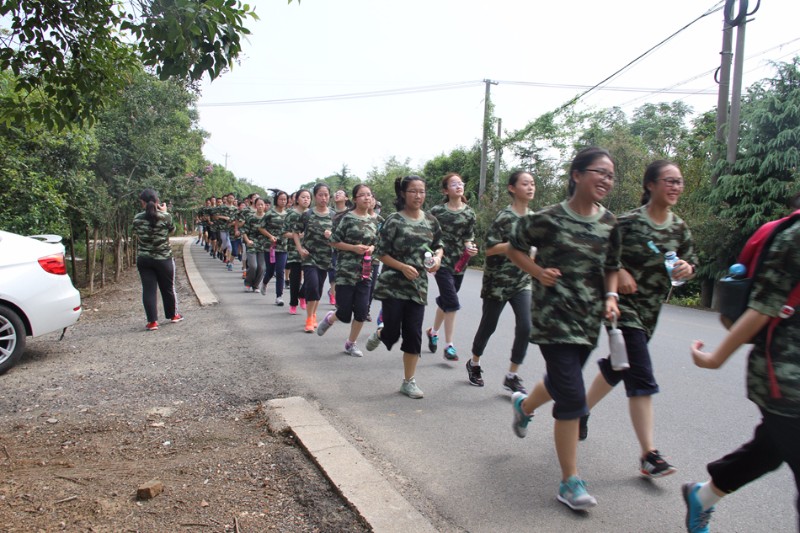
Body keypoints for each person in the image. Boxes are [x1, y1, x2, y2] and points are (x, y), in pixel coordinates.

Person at [505, 147, 621, 511]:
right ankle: (570, 481)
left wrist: (612, 294)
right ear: (576, 175)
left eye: (610, 175)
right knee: (572, 397)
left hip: (589, 321)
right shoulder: (548, 218)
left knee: (561, 382)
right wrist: (538, 272)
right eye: (598, 172)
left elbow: (612, 266)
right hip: (553, 319)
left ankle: (524, 405)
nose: (605, 180)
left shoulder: (609, 222)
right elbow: (514, 248)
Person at [580, 160, 697, 479]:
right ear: (650, 185)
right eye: (668, 180)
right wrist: (619, 270)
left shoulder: (679, 228)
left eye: (679, 182)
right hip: (620, 308)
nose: (675, 187)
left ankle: (581, 410)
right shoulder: (628, 223)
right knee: (641, 374)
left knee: (619, 366)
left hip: (650, 312)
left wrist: (687, 269)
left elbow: (690, 261)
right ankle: (649, 455)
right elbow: (599, 256)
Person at [684, 213, 799, 533]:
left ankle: (702, 497)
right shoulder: (796, 236)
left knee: (770, 449)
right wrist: (715, 358)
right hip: (786, 378)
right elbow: (763, 306)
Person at [366, 175, 443, 399]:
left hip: (417, 287)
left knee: (413, 335)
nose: (418, 195)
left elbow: (439, 245)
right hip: (393, 285)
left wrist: (437, 259)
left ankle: (408, 382)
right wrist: (402, 267)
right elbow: (381, 252)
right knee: (391, 334)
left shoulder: (431, 221)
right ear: (403, 194)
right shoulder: (394, 221)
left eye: (422, 191)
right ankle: (382, 332)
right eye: (413, 191)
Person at [466, 170, 536, 393]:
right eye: (525, 183)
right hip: (497, 281)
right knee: (489, 325)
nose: (530, 187)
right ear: (512, 188)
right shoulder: (504, 217)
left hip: (521, 281)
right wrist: (512, 245)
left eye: (532, 183)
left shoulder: (534, 218)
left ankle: (512, 375)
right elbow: (489, 250)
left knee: (526, 326)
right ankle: (474, 362)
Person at [316, 184, 379, 357]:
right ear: (355, 199)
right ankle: (331, 318)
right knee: (344, 312)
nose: (367, 198)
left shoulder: (375, 220)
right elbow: (333, 242)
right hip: (346, 271)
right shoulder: (347, 218)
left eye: (369, 194)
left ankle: (351, 344)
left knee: (361, 311)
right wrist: (353, 248)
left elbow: (378, 242)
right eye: (362, 195)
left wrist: (372, 248)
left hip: (366, 271)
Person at [425, 172, 477, 361]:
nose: (458, 186)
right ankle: (449, 346)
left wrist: (470, 248)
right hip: (442, 262)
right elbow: (427, 232)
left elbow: (468, 237)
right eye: (453, 184)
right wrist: (430, 255)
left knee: (447, 301)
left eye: (460, 183)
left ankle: (433, 331)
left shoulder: (469, 213)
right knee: (452, 302)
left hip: (460, 263)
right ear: (445, 190)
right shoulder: (437, 211)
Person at [132, 188, 183, 331]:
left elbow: (137, 233)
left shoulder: (137, 218)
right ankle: (173, 315)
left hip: (144, 258)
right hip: (164, 258)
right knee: (168, 288)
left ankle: (152, 322)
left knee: (148, 289)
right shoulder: (165, 216)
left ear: (142, 202)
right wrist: (165, 211)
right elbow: (172, 230)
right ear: (157, 202)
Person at [294, 183, 333, 333]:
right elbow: (296, 232)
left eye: (326, 195)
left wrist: (332, 235)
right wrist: (299, 248)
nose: (323, 198)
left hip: (325, 257)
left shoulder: (334, 216)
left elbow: (340, 238)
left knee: (319, 288)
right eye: (320, 195)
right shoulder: (308, 215)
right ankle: (309, 318)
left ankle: (314, 314)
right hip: (309, 256)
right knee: (312, 285)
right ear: (315, 196)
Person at [260, 190, 289, 306]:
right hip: (270, 246)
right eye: (281, 199)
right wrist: (270, 236)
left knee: (280, 271)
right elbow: (261, 228)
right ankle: (264, 282)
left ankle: (279, 296)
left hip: (283, 247)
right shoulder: (270, 213)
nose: (283, 201)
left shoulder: (288, 214)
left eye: (285, 199)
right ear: (276, 200)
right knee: (270, 271)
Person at [284, 189, 311, 315]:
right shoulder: (291, 214)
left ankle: (303, 295)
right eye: (303, 197)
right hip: (294, 249)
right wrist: (297, 236)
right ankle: (293, 303)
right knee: (295, 278)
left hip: (310, 250)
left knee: (311, 277)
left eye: (308, 197)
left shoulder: (312, 214)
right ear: (297, 199)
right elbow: (283, 233)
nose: (306, 199)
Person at [241, 197, 268, 292]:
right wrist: (247, 241)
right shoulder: (251, 217)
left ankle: (256, 285)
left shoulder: (268, 218)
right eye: (258, 204)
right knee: (253, 266)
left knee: (262, 267)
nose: (260, 206)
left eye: (262, 204)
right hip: (252, 244)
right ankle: (248, 283)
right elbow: (244, 231)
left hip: (263, 245)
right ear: (255, 206)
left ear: (265, 206)